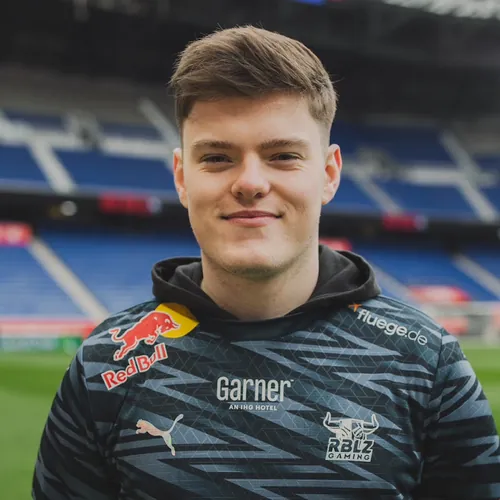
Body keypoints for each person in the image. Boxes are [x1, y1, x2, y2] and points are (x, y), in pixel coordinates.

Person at [33, 26, 500, 500]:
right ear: (182, 177)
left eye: (283, 156)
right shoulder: (105, 363)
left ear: (329, 173)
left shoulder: (426, 360)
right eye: (217, 157)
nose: (251, 182)